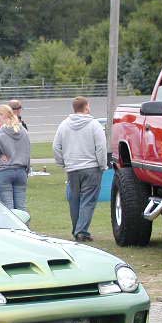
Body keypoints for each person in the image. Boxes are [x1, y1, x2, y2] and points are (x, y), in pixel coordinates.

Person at [53, 96, 107, 242]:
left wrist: (62, 162)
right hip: (91, 167)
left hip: (72, 168)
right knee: (88, 200)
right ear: (86, 107)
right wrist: (103, 164)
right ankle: (81, 231)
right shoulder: (94, 124)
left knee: (74, 200)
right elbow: (101, 147)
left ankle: (77, 229)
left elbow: (56, 146)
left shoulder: (64, 125)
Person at [0, 104, 31, 211]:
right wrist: (26, 169)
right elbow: (27, 150)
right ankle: (23, 222)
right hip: (20, 170)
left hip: (3, 171)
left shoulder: (0, 132)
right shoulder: (23, 131)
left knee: (7, 207)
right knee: (21, 206)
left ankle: (11, 222)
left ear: (3, 116)